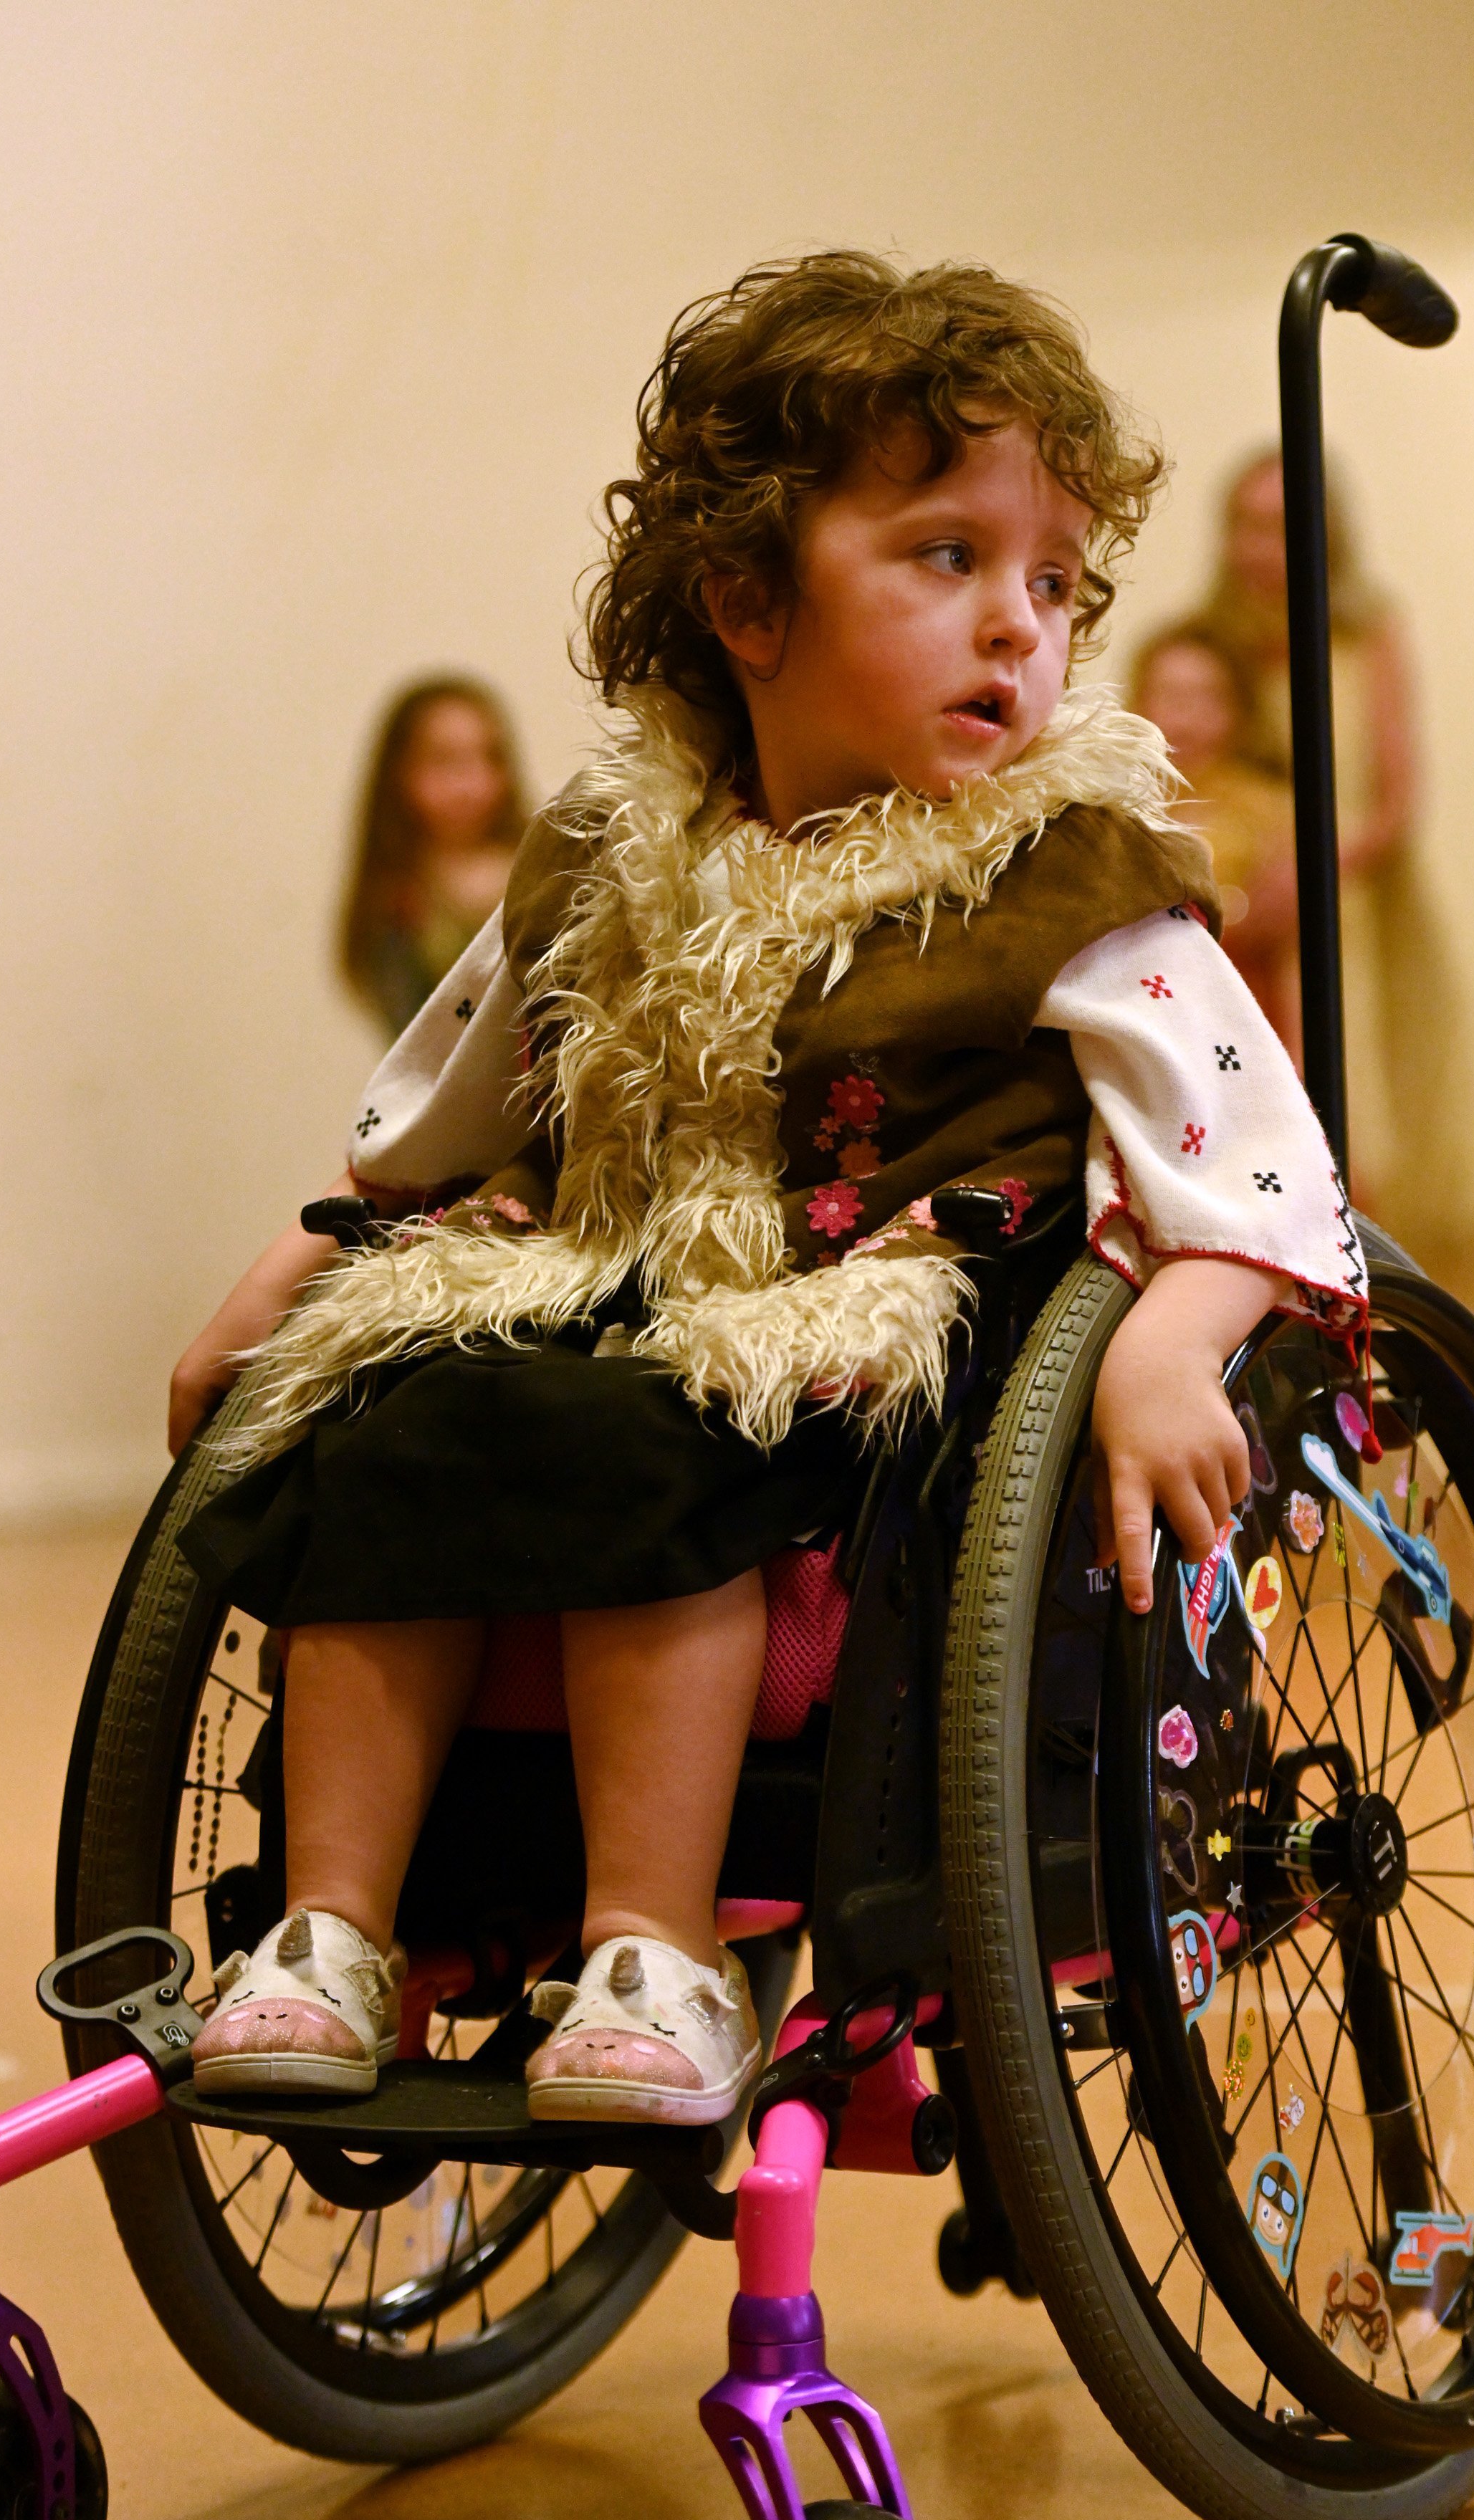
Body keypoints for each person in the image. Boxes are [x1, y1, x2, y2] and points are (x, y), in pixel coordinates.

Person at [165, 253, 1366, 2123]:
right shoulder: (605, 857)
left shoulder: (1068, 877)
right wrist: (289, 1273)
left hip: (899, 1346)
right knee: (389, 1416)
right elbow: (431, 1127)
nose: (1015, 629)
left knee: (665, 1433)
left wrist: (1168, 1347)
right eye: (947, 558)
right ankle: (332, 1930)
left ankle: (657, 1949)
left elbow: (1265, 1180)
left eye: (1053, 583)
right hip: (614, 1296)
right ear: (744, 600)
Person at [1171, 450, 1474, 1314]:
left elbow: (1396, 799)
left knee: (1380, 1127)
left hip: (1359, 912)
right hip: (1253, 923)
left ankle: (1394, 1337)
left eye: (1284, 526)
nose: (1263, 546)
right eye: (1246, 525)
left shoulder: (1369, 635)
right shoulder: (1211, 646)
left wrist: (1315, 870)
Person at [1128, 626, 1300, 1065]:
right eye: (1170, 696)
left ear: (1239, 710)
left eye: (1207, 698)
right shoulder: (1115, 808)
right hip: (1141, 1010)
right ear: (1138, 702)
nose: (1187, 718)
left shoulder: (1273, 811)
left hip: (1245, 1007)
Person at [338, 676, 530, 1039]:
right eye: (446, 762)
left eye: (490, 758)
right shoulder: (394, 906)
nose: (475, 783)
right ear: (399, 774)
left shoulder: (544, 868)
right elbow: (419, 1036)